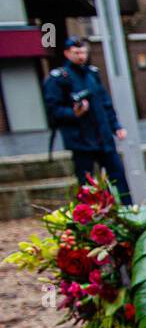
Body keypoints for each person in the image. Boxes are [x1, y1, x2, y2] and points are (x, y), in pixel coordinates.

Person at [42, 37, 130, 204]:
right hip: (81, 138)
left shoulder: (92, 74)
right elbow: (53, 109)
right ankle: (92, 216)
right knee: (86, 183)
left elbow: (105, 103)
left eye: (83, 51)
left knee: (118, 176)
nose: (81, 56)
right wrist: (73, 113)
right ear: (67, 53)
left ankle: (129, 210)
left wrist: (115, 125)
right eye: (76, 52)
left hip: (103, 137)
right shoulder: (59, 78)